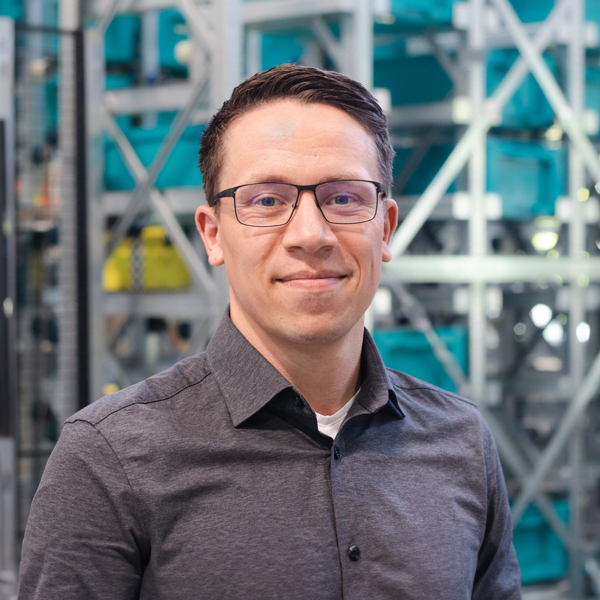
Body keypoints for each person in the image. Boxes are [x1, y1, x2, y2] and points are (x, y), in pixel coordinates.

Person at [18, 64, 522, 600]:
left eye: (344, 198)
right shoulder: (108, 459)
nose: (311, 234)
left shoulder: (461, 440)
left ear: (386, 228)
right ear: (213, 235)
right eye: (266, 200)